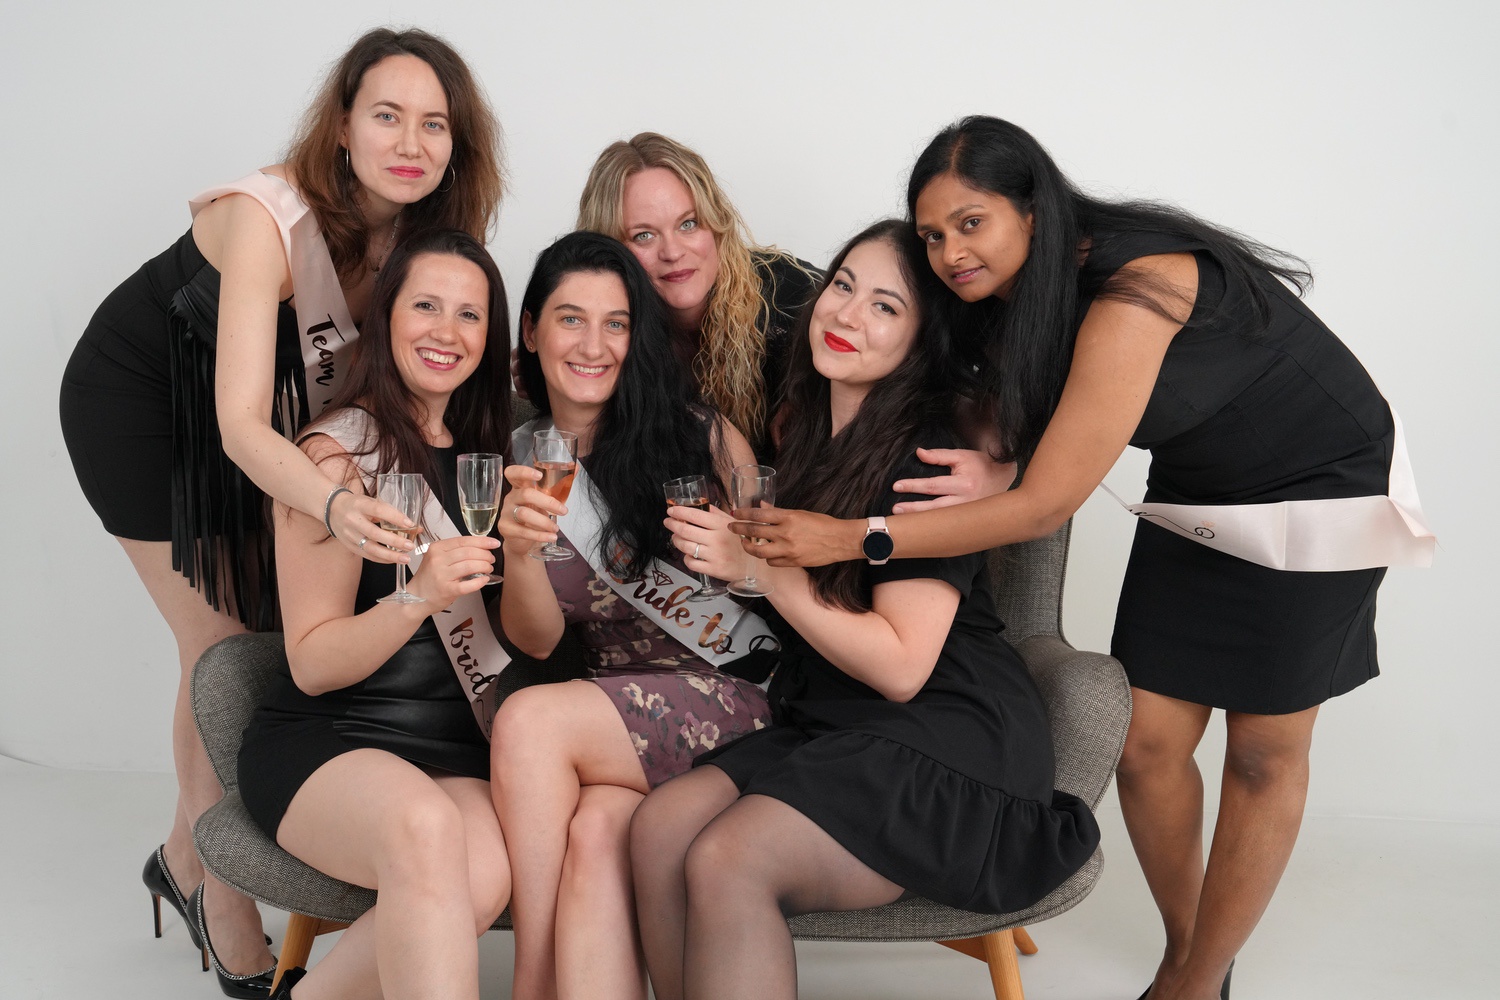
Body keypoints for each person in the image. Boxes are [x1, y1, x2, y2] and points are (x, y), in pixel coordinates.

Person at [731, 117, 1432, 1000]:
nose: (950, 254)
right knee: (1145, 745)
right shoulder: (1001, 289)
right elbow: (1008, 409)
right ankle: (1196, 954)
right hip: (1201, 492)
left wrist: (851, 536)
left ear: (1035, 209)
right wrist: (1007, 458)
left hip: (1318, 487)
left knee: (1262, 753)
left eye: (971, 223)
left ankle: (1189, 983)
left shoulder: (1141, 287)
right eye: (933, 235)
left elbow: (1044, 509)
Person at [57, 27, 502, 990]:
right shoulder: (268, 217)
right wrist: (335, 508)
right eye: (387, 116)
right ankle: (218, 898)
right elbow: (239, 425)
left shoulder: (415, 239)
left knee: (271, 621)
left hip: (267, 421)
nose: (410, 143)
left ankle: (181, 856)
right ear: (341, 125)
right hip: (148, 404)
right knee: (221, 641)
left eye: (434, 125)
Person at [629, 220, 1101, 1000]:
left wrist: (763, 573)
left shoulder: (926, 460)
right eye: (843, 286)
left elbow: (904, 666)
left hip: (947, 736)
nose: (848, 314)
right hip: (835, 722)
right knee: (658, 830)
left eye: (886, 306)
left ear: (922, 340)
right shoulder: (801, 428)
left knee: (728, 859)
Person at [490, 231, 776, 1000]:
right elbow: (538, 641)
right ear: (531, 330)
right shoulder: (518, 457)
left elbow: (776, 580)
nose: (594, 345)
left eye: (615, 323)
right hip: (612, 724)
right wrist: (520, 553)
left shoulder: (700, 434)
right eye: (571, 319)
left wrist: (740, 554)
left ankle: (529, 986)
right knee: (593, 839)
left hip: (734, 690)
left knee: (528, 722)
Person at [236, 228, 513, 1000]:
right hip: (331, 740)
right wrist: (419, 595)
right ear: (386, 315)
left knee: (485, 876)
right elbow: (312, 662)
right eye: (425, 306)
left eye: (469, 314)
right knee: (428, 830)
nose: (446, 331)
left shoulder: (491, 458)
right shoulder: (337, 456)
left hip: (449, 749)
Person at [576, 132, 818, 452]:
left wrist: (817, 396)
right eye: (643, 235)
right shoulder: (601, 337)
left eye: (688, 224)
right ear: (608, 250)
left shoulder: (789, 292)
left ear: (716, 224)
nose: (673, 252)